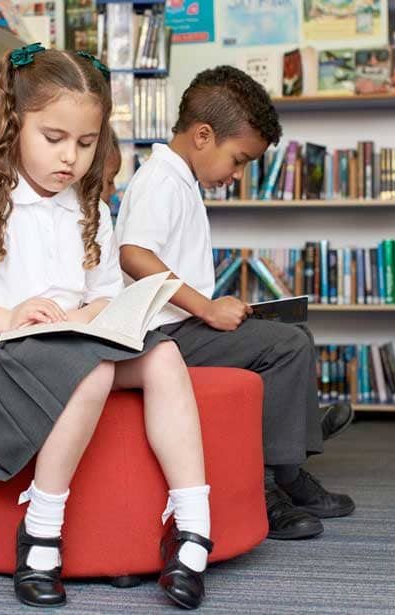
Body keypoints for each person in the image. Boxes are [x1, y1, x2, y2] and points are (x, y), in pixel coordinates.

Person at [0, 45, 214, 610]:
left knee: (165, 356)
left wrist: (90, 315)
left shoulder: (90, 205)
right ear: (13, 124)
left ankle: (192, 526)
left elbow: (103, 293)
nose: (70, 158)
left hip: (71, 339)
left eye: (85, 142)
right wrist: (11, 316)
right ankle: (42, 532)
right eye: (53, 139)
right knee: (92, 372)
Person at [115, 65, 355, 542]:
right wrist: (206, 308)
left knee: (293, 337)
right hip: (159, 337)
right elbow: (133, 255)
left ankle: (289, 464)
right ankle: (269, 485)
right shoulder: (160, 180)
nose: (238, 174)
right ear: (203, 136)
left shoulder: (181, 180)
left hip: (179, 328)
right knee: (286, 347)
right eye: (239, 159)